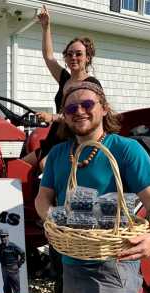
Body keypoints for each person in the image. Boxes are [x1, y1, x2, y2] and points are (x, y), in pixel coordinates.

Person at [35, 81, 150, 293]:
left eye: (87, 105)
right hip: (70, 261)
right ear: (64, 114)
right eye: (71, 107)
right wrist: (52, 219)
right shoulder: (60, 154)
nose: (79, 111)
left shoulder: (125, 149)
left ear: (104, 108)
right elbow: (42, 197)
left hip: (111, 263)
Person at [24, 4, 102, 171]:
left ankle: (57, 197)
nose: (73, 57)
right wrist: (46, 26)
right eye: (69, 54)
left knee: (45, 165)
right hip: (55, 138)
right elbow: (48, 56)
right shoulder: (64, 79)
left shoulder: (91, 84)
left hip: (75, 138)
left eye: (78, 54)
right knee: (21, 164)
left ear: (88, 58)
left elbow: (82, 115)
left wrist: (53, 117)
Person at [0, 228, 25, 293]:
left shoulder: (13, 246)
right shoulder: (0, 246)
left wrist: (19, 264)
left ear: (8, 236)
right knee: (6, 286)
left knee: (15, 286)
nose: (3, 238)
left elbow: (22, 253)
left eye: (4, 236)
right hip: (4, 268)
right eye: (1, 236)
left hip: (13, 268)